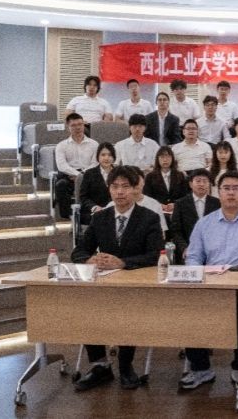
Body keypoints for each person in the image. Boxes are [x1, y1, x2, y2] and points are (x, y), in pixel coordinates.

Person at [180, 171, 238, 390]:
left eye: (235, 188)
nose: (231, 193)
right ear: (218, 192)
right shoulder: (204, 223)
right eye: (226, 188)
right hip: (212, 285)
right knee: (189, 309)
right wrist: (198, 275)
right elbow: (193, 256)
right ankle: (201, 369)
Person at [70, 165, 163, 391]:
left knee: (128, 309)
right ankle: (100, 365)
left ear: (135, 189)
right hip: (103, 285)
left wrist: (123, 263)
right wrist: (89, 259)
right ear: (109, 189)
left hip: (135, 286)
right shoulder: (100, 218)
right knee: (86, 306)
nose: (120, 192)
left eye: (125, 187)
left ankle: (125, 365)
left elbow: (156, 255)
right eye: (115, 187)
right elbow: (78, 251)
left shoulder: (149, 218)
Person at [166, 168, 221, 263]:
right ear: (191, 184)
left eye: (205, 181)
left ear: (209, 184)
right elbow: (176, 231)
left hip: (213, 252)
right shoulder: (180, 203)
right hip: (187, 251)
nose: (201, 184)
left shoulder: (217, 203)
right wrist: (184, 248)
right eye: (198, 181)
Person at [54, 113, 98, 220]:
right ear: (68, 127)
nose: (77, 127)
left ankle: (91, 214)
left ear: (84, 125)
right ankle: (68, 216)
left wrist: (82, 175)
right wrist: (77, 175)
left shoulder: (94, 144)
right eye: (73, 125)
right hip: (69, 176)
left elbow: (95, 163)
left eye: (80, 124)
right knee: (61, 185)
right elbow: (62, 166)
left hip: (88, 175)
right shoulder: (61, 145)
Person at [143, 146, 189, 214]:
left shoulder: (180, 175)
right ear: (157, 159)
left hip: (177, 210)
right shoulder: (150, 176)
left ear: (172, 159)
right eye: (162, 157)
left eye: (168, 157)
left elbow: (185, 195)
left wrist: (175, 204)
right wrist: (159, 205)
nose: (165, 160)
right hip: (156, 211)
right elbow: (147, 196)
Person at [78, 141, 115, 226]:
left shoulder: (120, 173)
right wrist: (94, 207)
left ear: (114, 157)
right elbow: (83, 197)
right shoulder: (89, 174)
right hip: (93, 212)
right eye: (103, 155)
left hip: (115, 211)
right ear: (98, 157)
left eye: (110, 155)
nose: (106, 158)